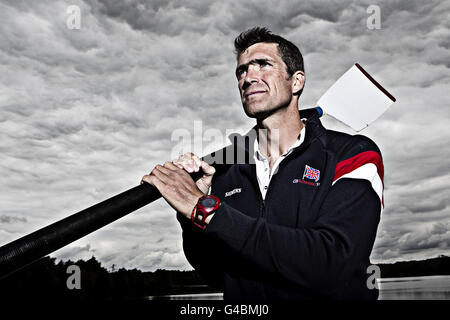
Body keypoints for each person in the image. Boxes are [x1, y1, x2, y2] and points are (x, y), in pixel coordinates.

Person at [141, 27, 384, 300]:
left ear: (296, 82)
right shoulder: (226, 172)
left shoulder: (353, 154)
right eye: (241, 71)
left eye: (263, 65)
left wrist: (206, 210)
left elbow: (331, 263)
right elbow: (215, 274)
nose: (248, 78)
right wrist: (192, 215)